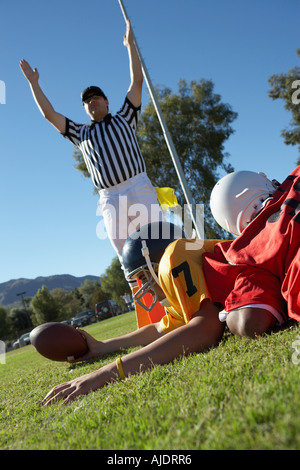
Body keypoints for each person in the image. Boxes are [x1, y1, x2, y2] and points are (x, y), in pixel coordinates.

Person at [19, 19, 161, 281]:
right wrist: (34, 83)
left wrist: (130, 45)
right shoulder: (80, 132)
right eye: (86, 100)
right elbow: (50, 115)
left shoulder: (125, 117)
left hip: (137, 185)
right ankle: (147, 304)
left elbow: (137, 81)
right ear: (84, 108)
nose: (91, 101)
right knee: (127, 256)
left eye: (96, 97)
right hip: (109, 198)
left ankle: (177, 298)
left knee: (158, 242)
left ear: (106, 101)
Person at [42, 221, 225, 405]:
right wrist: (102, 346)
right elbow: (159, 329)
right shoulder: (187, 281)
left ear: (159, 263)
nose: (146, 288)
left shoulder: (175, 255)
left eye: (144, 276)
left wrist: (107, 372)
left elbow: (205, 328)